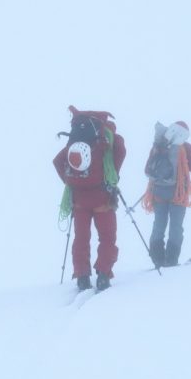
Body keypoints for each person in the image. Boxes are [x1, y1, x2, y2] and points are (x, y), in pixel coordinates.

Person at [54, 106, 126, 292]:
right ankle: (103, 275)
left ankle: (82, 276)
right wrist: (114, 174)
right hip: (103, 198)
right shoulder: (108, 139)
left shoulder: (74, 141)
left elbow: (57, 161)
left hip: (79, 200)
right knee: (107, 237)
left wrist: (70, 182)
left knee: (81, 238)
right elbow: (121, 152)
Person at [141, 121, 191, 267]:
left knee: (159, 226)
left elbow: (148, 169)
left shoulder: (157, 147)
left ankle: (157, 259)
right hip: (178, 194)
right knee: (176, 227)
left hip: (158, 193)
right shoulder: (185, 147)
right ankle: (171, 260)